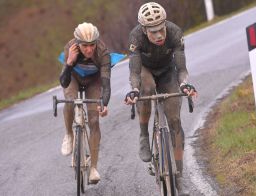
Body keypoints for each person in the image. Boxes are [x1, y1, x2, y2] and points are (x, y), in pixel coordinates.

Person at [124, 2, 197, 195]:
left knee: (175, 121)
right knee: (146, 89)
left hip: (167, 72)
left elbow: (181, 68)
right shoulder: (136, 36)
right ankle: (144, 134)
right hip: (145, 71)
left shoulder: (174, 32)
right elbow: (135, 71)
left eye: (161, 29)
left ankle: (179, 174)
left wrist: (184, 84)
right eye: (153, 31)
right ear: (144, 29)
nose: (159, 35)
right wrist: (134, 89)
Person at [59, 22, 111, 184]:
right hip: (73, 78)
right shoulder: (70, 48)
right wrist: (69, 62)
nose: (89, 50)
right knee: (69, 100)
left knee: (94, 120)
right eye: (85, 46)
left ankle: (93, 168)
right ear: (77, 43)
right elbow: (64, 81)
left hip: (93, 82)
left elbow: (106, 84)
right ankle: (69, 134)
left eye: (92, 45)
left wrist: (104, 104)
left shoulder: (102, 52)